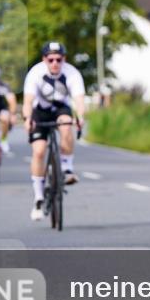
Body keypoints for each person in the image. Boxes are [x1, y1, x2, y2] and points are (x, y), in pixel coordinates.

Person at [22, 42, 86, 221]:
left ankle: (66, 169)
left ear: (64, 59)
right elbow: (28, 101)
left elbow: (79, 99)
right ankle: (38, 197)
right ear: (44, 60)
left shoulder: (72, 73)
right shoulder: (35, 73)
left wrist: (80, 117)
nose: (55, 63)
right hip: (40, 111)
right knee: (39, 150)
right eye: (51, 59)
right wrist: (27, 119)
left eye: (59, 59)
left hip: (61, 108)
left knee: (66, 124)